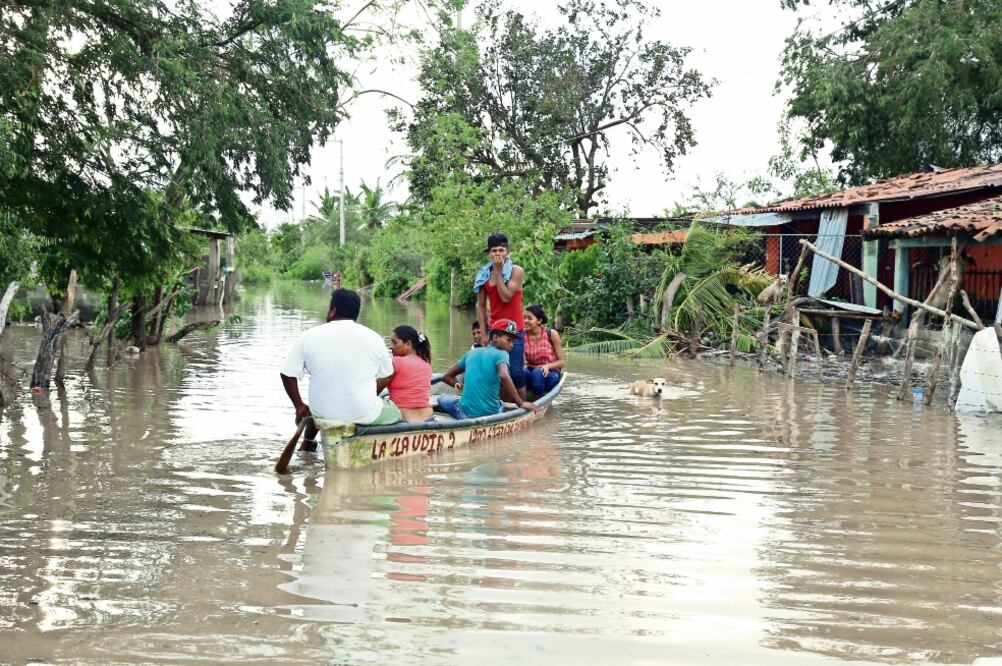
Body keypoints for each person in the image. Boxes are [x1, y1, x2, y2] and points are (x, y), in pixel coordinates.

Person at [280, 289, 400, 450]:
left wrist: (299, 406)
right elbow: (388, 374)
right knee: (395, 411)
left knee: (320, 403)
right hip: (362, 412)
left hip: (321, 413)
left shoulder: (309, 336)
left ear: (333, 310)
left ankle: (307, 444)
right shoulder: (373, 337)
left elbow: (287, 373)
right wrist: (369, 394)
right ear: (356, 312)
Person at [437, 319, 537, 420]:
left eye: (513, 341)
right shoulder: (502, 354)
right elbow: (503, 375)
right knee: (500, 404)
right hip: (491, 414)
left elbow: (446, 377)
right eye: (508, 340)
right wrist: (520, 402)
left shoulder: (471, 353)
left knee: (441, 398)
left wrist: (461, 387)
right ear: (495, 338)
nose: (512, 344)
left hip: (464, 414)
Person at [474, 232, 527, 397]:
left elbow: (506, 297)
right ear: (489, 254)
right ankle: (497, 404)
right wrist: (484, 333)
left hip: (514, 327)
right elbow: (480, 306)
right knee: (494, 370)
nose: (497, 254)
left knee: (516, 371)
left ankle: (522, 406)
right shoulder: (483, 275)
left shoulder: (516, 271)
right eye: (494, 251)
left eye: (501, 250)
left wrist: (497, 272)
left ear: (507, 252)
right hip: (495, 328)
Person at [377, 325, 434, 423]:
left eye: (394, 342)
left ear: (408, 344)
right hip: (428, 417)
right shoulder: (426, 364)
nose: (391, 347)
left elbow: (375, 390)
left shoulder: (395, 362)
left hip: (403, 417)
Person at [523, 304, 564, 397]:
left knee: (538, 372)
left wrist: (547, 366)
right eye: (524, 318)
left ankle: (538, 404)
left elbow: (561, 362)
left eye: (529, 318)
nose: (525, 321)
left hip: (550, 374)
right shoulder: (522, 336)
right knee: (521, 372)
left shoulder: (551, 334)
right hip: (530, 373)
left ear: (539, 320)